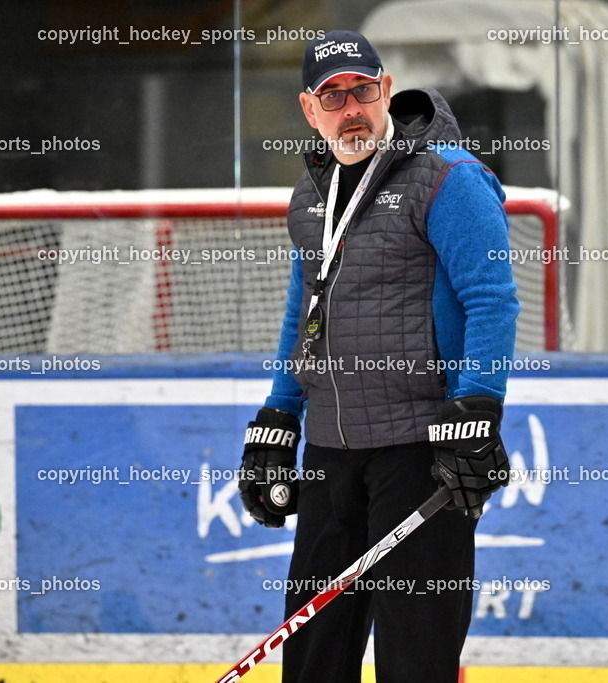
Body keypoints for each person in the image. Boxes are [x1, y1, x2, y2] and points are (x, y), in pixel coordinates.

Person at [239, 29, 519, 683]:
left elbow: (491, 298)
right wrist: (279, 414)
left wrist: (477, 404)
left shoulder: (448, 178)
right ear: (311, 110)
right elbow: (301, 313)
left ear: (386, 90)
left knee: (416, 659)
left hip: (422, 452)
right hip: (330, 455)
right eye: (333, 97)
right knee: (312, 657)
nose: (351, 108)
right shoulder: (313, 195)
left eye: (362, 90)